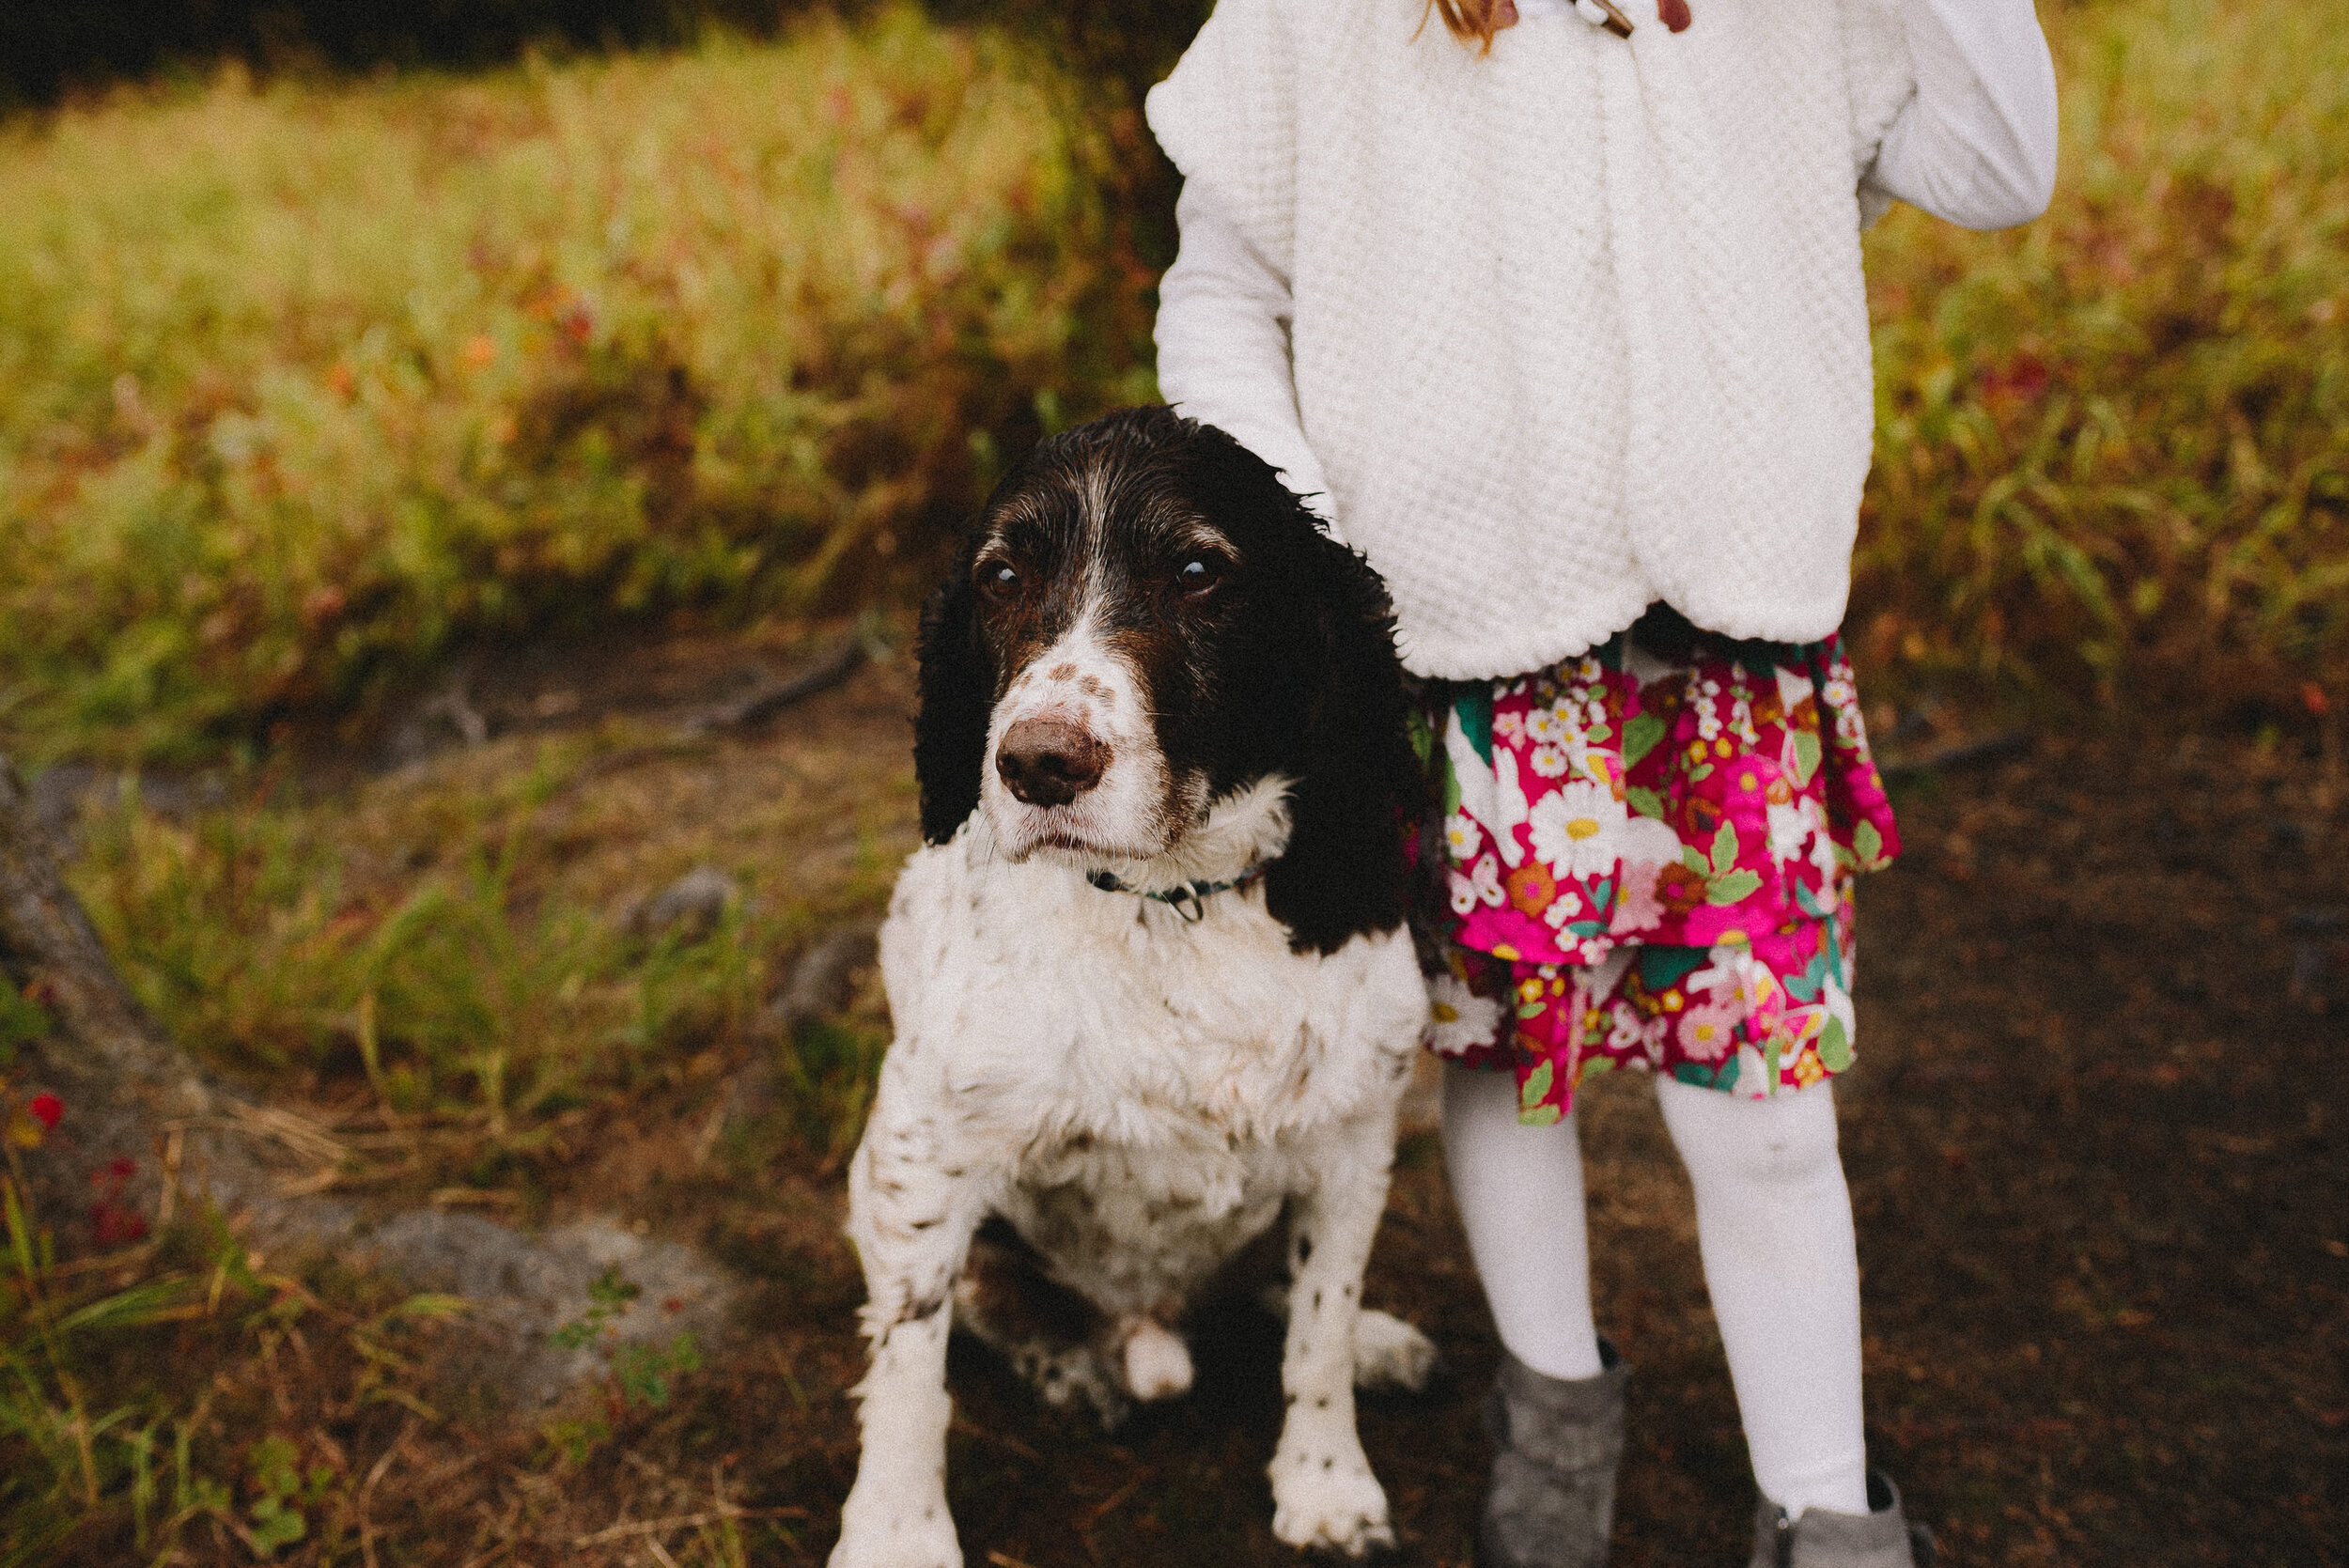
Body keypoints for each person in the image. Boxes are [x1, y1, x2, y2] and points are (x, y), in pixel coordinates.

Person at [1144, 2, 2056, 1563]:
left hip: (1727, 656)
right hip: (1462, 642)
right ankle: (1554, 1421)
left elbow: (1997, 161)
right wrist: (1318, 557)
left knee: (1767, 1105)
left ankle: (1827, 1511)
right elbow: (1219, 292)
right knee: (1507, 1059)